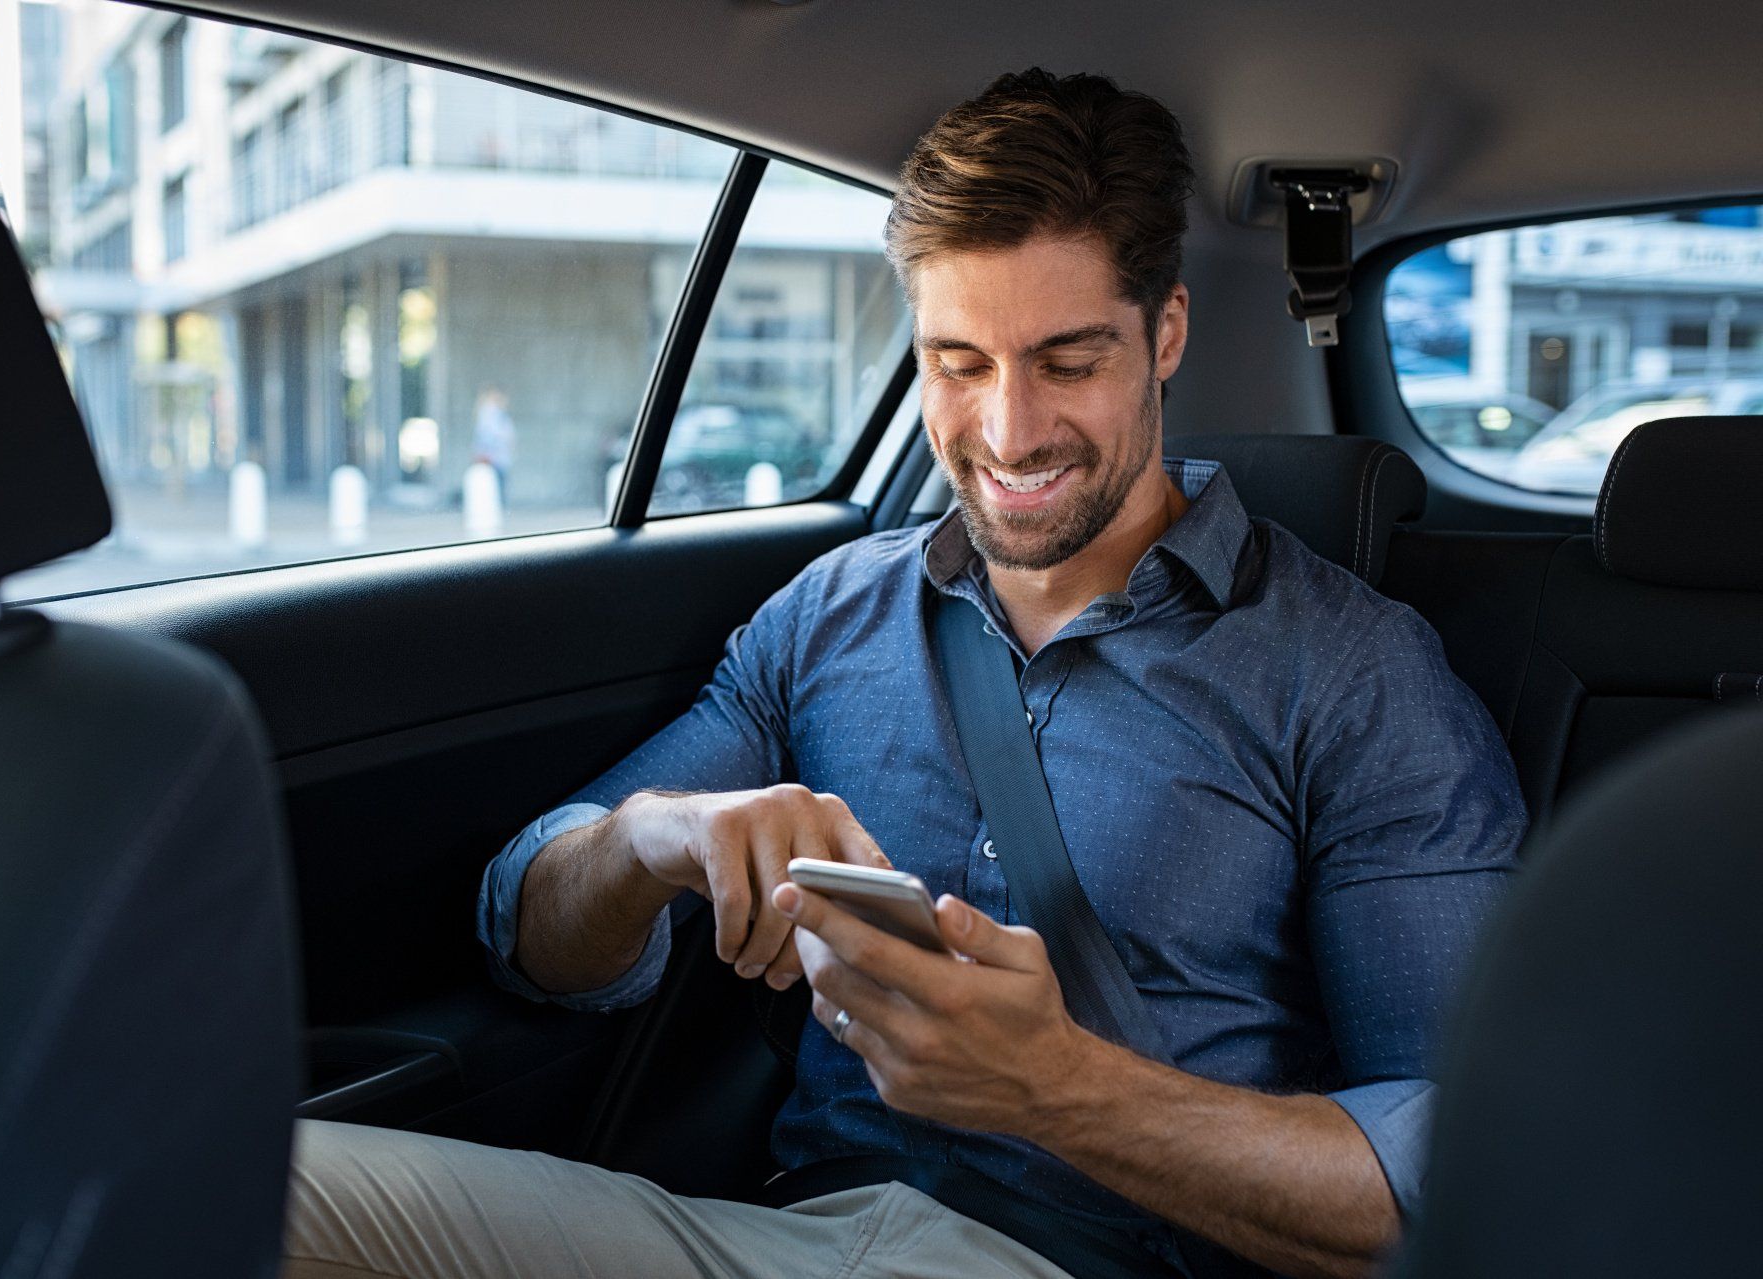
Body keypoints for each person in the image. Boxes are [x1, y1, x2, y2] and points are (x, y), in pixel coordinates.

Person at [284, 69, 1525, 1279]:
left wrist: (1062, 1089)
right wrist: (658, 835)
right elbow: (531, 934)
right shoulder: (831, 613)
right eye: (960, 362)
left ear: (1168, 336)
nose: (1008, 430)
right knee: (251, 1183)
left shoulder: (1353, 671)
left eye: (1068, 359)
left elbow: (1461, 1183)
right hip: (783, 1233)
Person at [470, 385, 516, 500]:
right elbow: (489, 436)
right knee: (496, 487)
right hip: (493, 457)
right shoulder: (489, 414)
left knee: (497, 486)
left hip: (497, 457)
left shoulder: (495, 414)